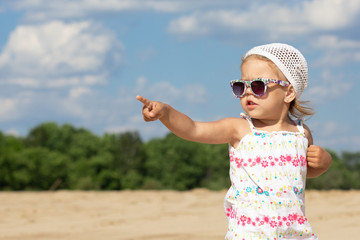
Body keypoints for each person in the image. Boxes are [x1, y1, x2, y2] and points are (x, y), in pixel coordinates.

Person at [136, 43, 332, 239]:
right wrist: (165, 112)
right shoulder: (240, 129)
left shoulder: (301, 133)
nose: (247, 92)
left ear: (288, 93)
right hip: (249, 234)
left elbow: (300, 174)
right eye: (241, 86)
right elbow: (193, 129)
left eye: (258, 86)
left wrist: (322, 164)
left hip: (295, 233)